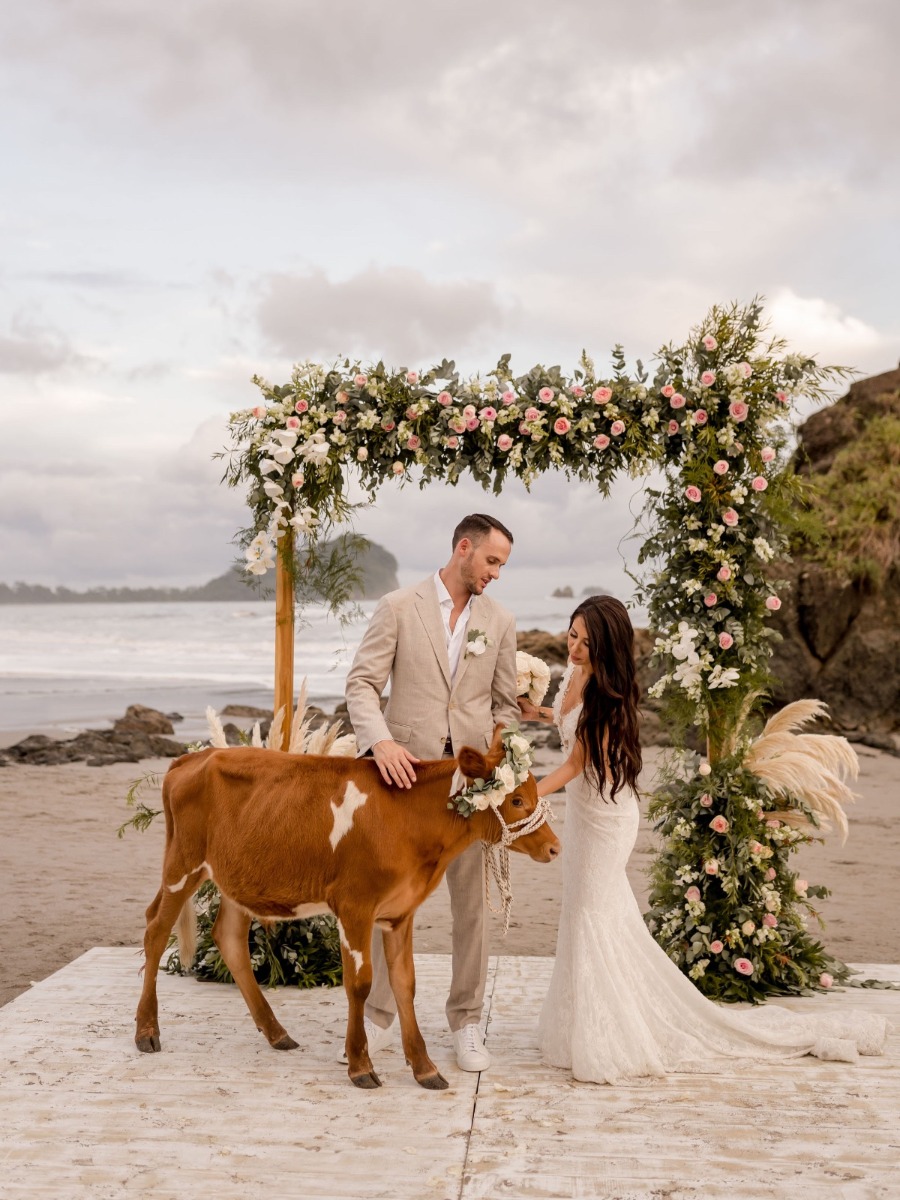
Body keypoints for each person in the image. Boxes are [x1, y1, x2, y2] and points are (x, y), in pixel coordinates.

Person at [519, 595, 887, 1084]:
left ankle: (614, 1029)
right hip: (583, 817)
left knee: (593, 912)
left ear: (607, 647)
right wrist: (536, 714)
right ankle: (579, 1023)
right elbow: (565, 725)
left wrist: (521, 795)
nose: (575, 649)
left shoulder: (605, 698)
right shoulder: (574, 677)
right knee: (585, 911)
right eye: (572, 636)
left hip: (606, 821)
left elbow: (572, 765)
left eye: (587, 642)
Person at [345, 513, 520, 1071]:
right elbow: (363, 685)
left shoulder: (501, 620)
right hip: (403, 785)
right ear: (463, 549)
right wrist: (381, 744)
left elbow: (505, 708)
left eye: (502, 565)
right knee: (385, 902)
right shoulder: (399, 607)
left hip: (470, 791)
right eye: (491, 560)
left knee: (472, 910)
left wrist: (496, 761)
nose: (495, 573)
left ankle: (466, 1022)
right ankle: (374, 1017)